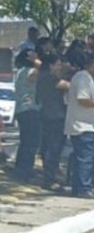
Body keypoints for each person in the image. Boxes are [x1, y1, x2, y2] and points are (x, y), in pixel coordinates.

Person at [64, 49, 94, 196]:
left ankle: (78, 187)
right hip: (82, 125)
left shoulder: (87, 78)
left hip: (84, 124)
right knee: (85, 158)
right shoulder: (83, 77)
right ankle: (84, 188)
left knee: (81, 158)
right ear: (93, 65)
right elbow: (82, 99)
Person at [36, 54, 69, 190]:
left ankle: (51, 176)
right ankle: (49, 179)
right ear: (51, 65)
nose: (60, 67)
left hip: (47, 114)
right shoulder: (50, 77)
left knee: (49, 147)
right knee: (53, 148)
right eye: (58, 64)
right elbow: (67, 85)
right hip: (54, 116)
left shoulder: (42, 76)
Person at [12, 48, 41, 181]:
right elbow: (36, 72)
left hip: (23, 110)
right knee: (30, 142)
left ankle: (21, 170)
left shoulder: (20, 72)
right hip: (29, 109)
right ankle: (25, 172)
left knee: (26, 142)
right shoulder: (28, 71)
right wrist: (37, 62)